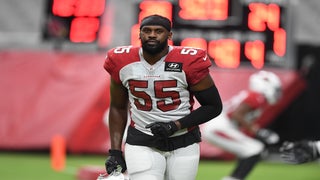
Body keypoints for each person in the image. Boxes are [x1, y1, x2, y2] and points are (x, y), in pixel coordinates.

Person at [103, 14, 223, 180]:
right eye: (147, 30)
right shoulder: (121, 61)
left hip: (184, 141)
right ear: (139, 34)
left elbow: (213, 106)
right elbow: (118, 107)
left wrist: (175, 125)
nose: (152, 34)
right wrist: (115, 151)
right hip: (141, 140)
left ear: (169, 35)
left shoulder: (189, 61)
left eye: (158, 31)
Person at [202, 70, 282, 180]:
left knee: (252, 150)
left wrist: (257, 131)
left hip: (219, 126)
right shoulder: (256, 97)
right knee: (255, 149)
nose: (278, 93)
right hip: (218, 127)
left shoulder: (253, 96)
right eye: (276, 89)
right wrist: (258, 132)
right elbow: (237, 115)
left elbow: (238, 118)